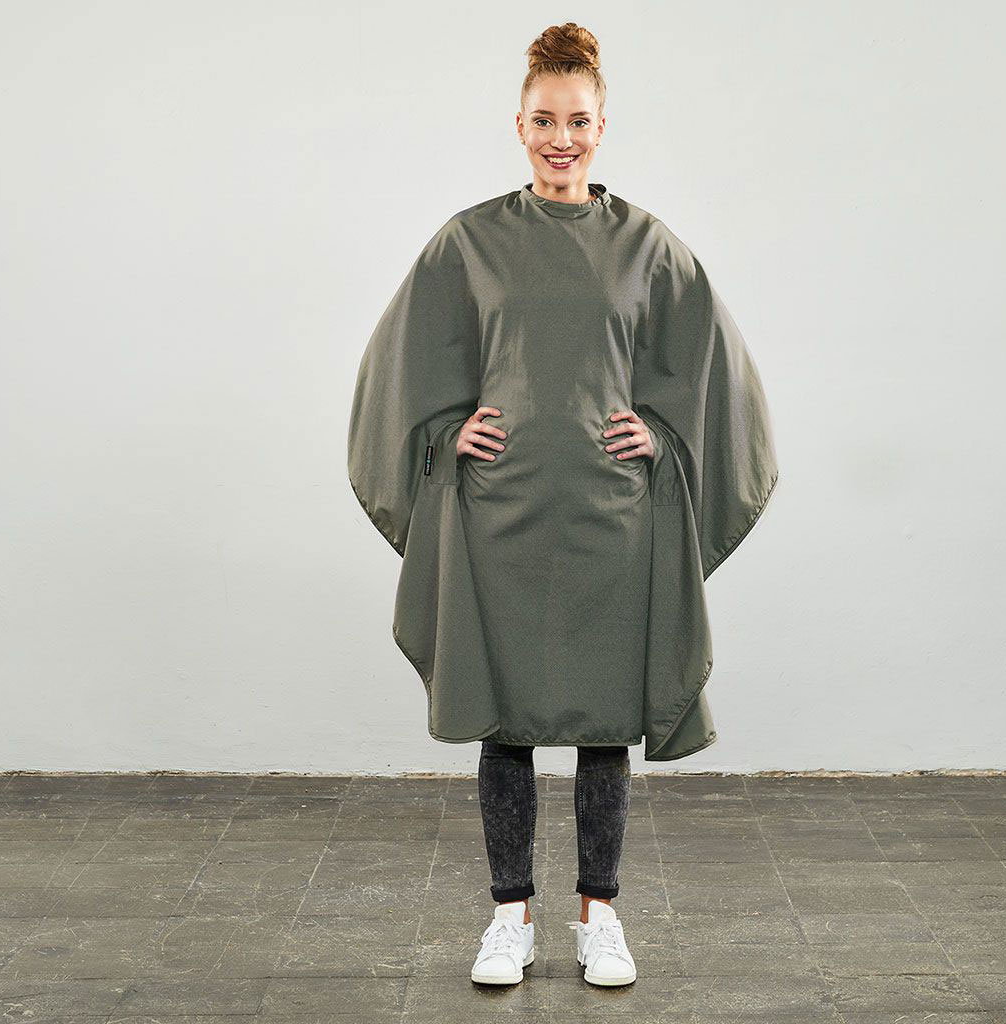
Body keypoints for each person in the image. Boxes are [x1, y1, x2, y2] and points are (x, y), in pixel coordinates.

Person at [347, 22, 780, 989]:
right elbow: (404, 369)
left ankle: (599, 919)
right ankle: (509, 917)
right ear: (519, 125)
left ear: (601, 127)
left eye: (578, 121)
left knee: (602, 720)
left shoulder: (645, 247)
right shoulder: (470, 242)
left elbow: (712, 375)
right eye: (544, 120)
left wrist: (663, 438)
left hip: (609, 520)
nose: (561, 138)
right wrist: (444, 432)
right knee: (503, 720)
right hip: (499, 517)